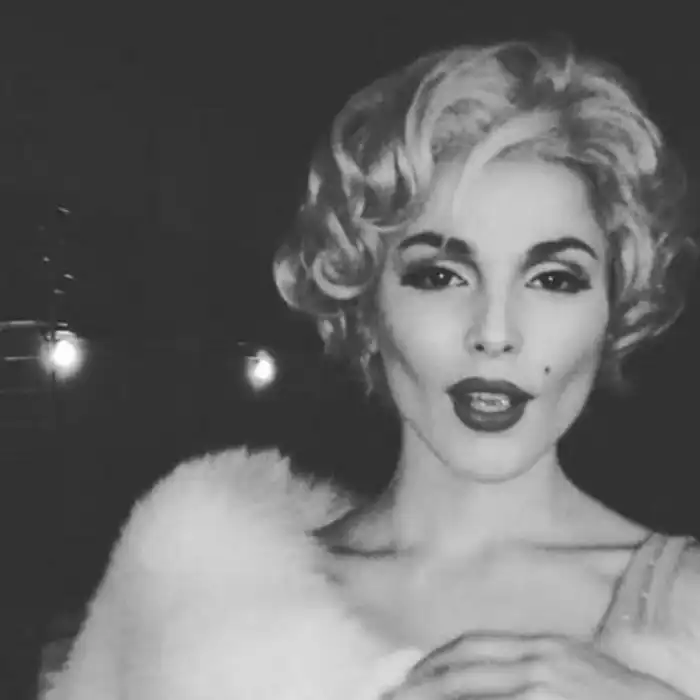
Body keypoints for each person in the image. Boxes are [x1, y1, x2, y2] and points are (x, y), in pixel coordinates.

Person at [42, 40, 700, 699]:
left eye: (553, 278)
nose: (495, 333)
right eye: (440, 275)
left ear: (615, 305)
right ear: (364, 300)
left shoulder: (687, 608)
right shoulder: (192, 602)